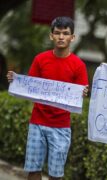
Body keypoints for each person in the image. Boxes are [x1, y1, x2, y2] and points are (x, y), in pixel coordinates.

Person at [7, 17, 89, 180]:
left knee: (56, 174)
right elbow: (29, 86)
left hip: (61, 126)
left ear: (72, 37)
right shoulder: (40, 59)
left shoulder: (78, 65)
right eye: (57, 33)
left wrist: (83, 93)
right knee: (33, 170)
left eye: (65, 33)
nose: (61, 37)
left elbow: (81, 93)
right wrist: (15, 81)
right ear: (51, 36)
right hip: (37, 122)